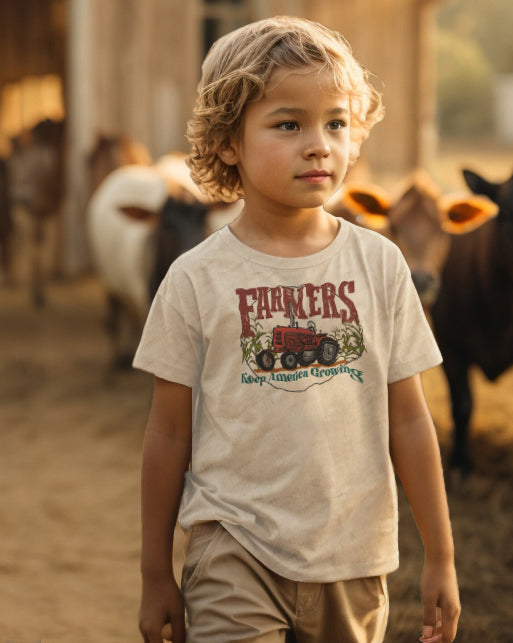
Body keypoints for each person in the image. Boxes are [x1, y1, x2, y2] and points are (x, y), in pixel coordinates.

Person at [135, 15, 460, 643]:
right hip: (233, 549)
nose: (320, 145)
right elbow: (167, 433)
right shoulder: (195, 279)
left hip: (354, 557)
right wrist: (155, 575)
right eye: (289, 124)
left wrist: (441, 557)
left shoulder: (380, 263)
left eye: (337, 123)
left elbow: (411, 420)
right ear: (229, 141)